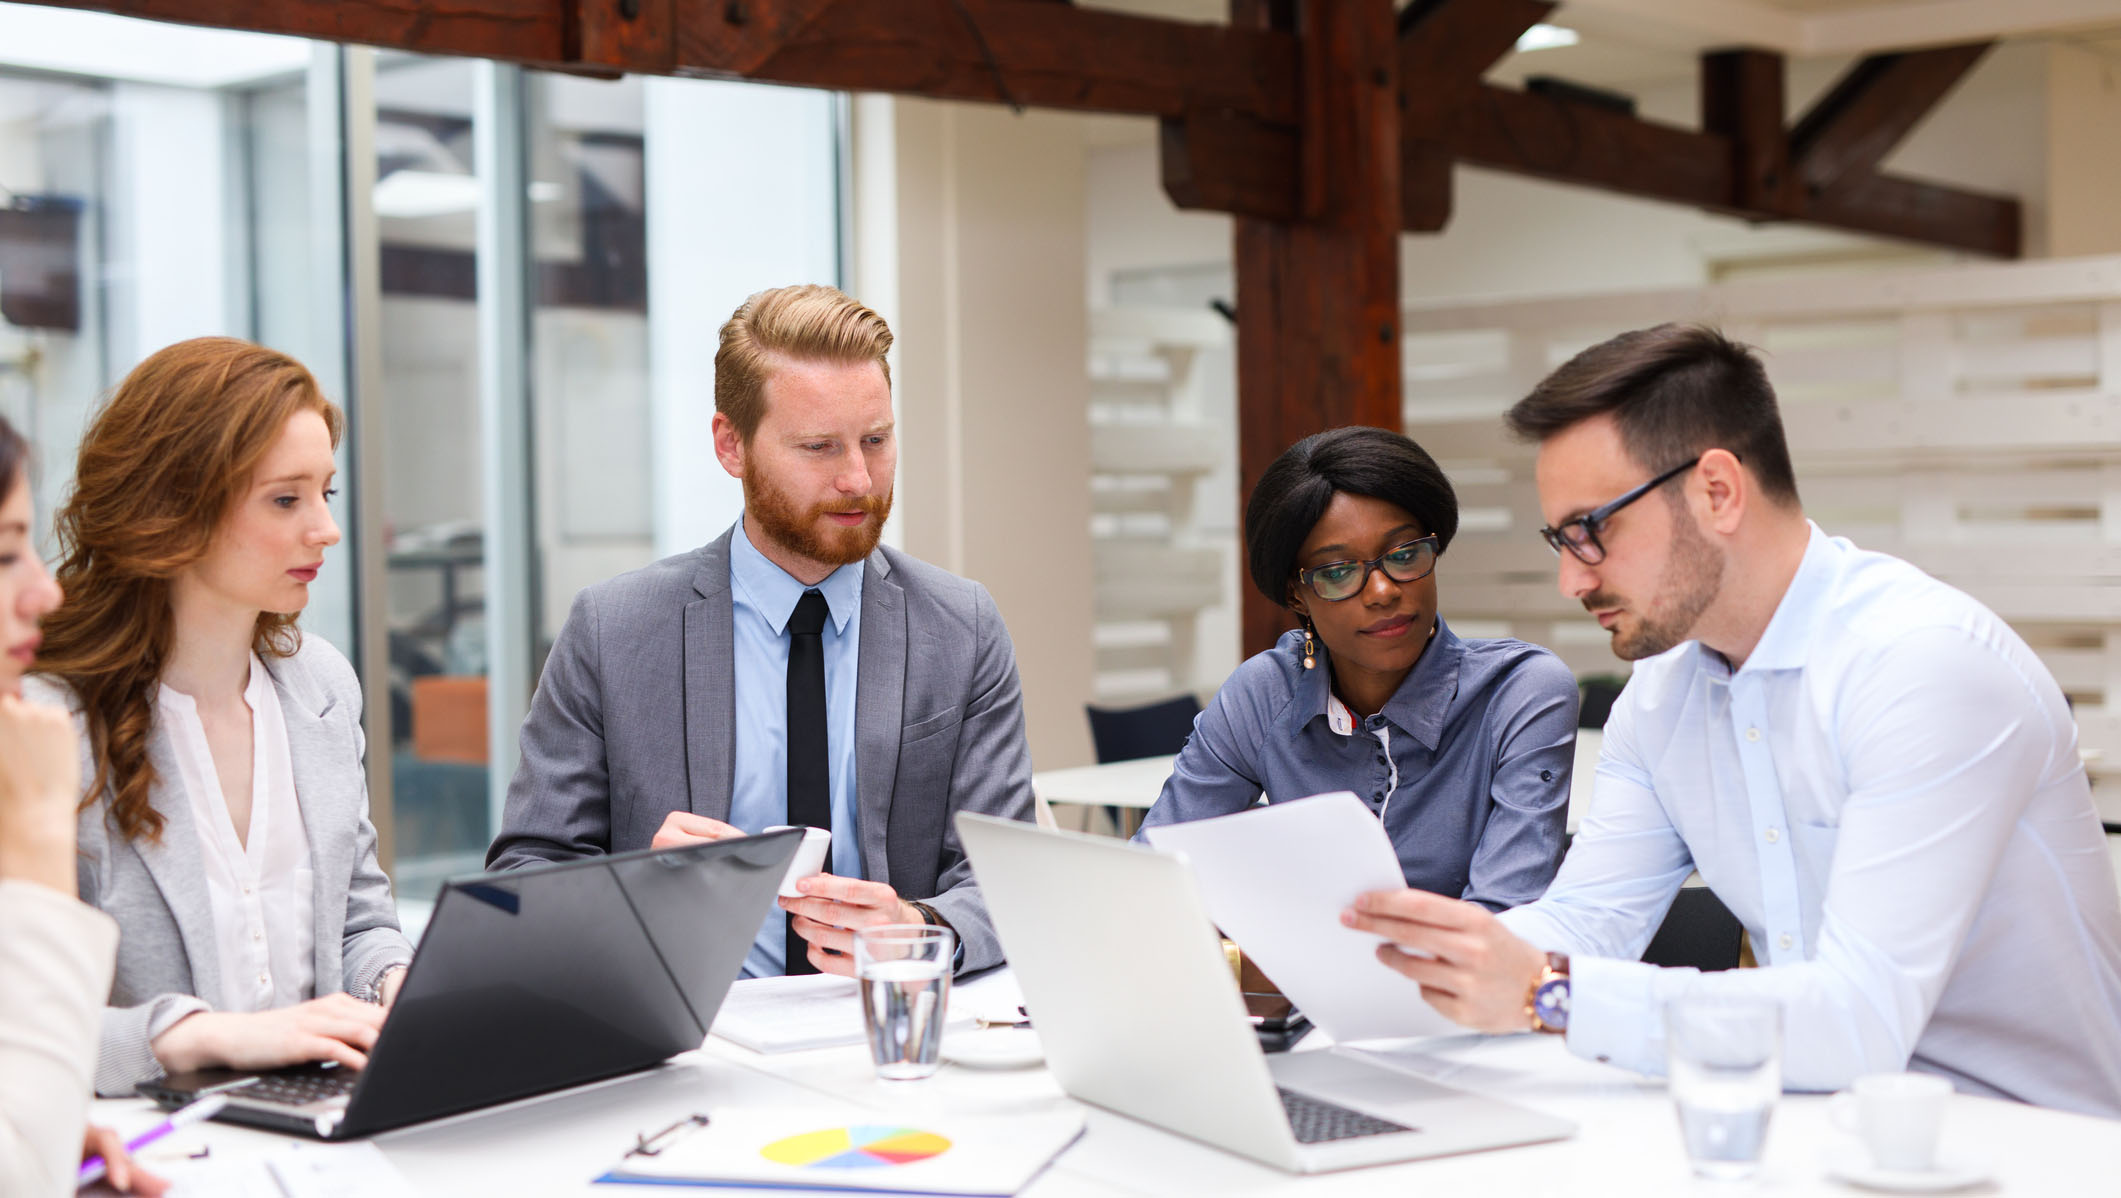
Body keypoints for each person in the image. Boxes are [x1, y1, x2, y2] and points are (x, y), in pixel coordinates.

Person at [1342, 324, 2121, 1117]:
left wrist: (1548, 993)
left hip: (2029, 1144)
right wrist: (1419, 960)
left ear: (1716, 491)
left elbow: (1858, 1020)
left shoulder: (1920, 666)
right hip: (1813, 1121)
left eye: (1589, 531)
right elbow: (1590, 918)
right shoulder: (1659, 693)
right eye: (1558, 539)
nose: (1569, 579)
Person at [488, 284, 1034, 978]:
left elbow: (1008, 880)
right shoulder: (613, 631)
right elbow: (521, 879)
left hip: (887, 1030)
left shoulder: (962, 627)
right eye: (818, 448)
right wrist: (637, 893)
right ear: (730, 445)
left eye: (875, 440)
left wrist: (919, 926)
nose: (858, 479)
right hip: (691, 1042)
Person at [28, 338, 414, 1098]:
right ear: (174, 506)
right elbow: (25, 1016)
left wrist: (394, 982)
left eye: (325, 495)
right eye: (285, 499)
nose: (326, 530)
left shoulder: (323, 686)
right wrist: (199, 1037)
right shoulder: (49, 727)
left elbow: (360, 921)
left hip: (321, 1116)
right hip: (150, 1138)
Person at [1136, 427, 1576, 909]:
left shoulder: (1519, 693)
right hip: (1301, 983)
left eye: (1405, 555)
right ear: (1295, 594)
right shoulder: (1264, 695)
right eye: (1338, 571)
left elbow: (1505, 916)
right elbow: (1153, 877)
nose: (1384, 591)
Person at [0, 414, 163, 1195]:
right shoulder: (48, 736)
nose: (45, 589)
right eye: (3, 554)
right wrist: (35, 837)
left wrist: (35, 1122)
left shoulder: (322, 688)